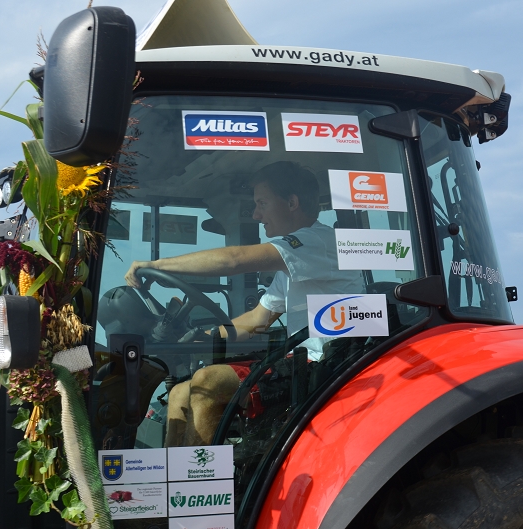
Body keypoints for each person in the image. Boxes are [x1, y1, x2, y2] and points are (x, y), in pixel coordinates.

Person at [124, 161, 363, 446]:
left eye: (262, 203)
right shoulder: (294, 263)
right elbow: (257, 320)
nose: (256, 214)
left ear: (291, 203)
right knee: (178, 393)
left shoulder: (317, 242)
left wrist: (156, 265)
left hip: (331, 368)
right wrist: (204, 337)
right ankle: (176, 473)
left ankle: (201, 473)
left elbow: (234, 260)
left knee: (208, 382)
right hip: (303, 364)